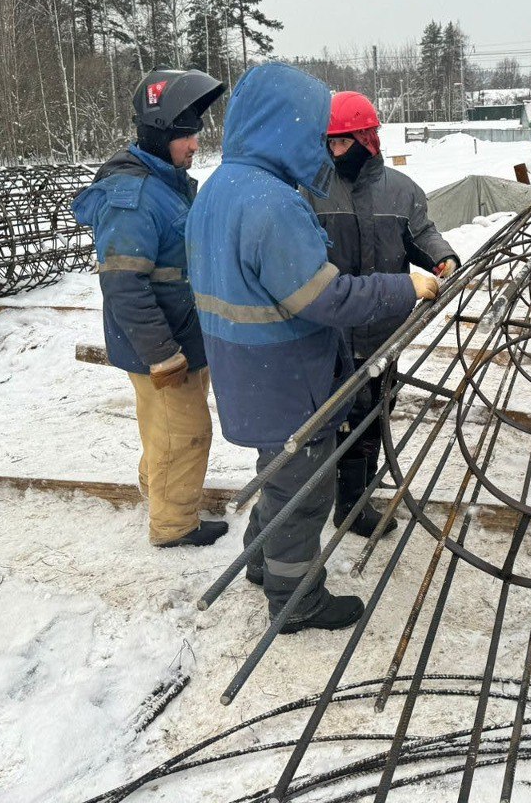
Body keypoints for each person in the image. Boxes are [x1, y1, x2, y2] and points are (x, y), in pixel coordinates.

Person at [185, 63, 437, 634]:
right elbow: (325, 299)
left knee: (277, 470)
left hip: (245, 369)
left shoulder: (221, 187)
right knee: (303, 491)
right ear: (283, 128)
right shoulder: (273, 203)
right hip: (286, 373)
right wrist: (404, 286)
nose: (320, 146)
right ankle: (296, 598)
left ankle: (260, 560)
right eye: (311, 131)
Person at [72, 68, 228, 549]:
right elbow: (123, 285)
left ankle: (159, 493)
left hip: (181, 336)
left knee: (166, 429)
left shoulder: (166, 182)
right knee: (185, 433)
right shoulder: (133, 198)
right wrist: (162, 353)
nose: (195, 144)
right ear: (160, 134)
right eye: (186, 134)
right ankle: (173, 525)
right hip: (161, 345)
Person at [307, 91, 459, 538]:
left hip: (384, 331)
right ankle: (346, 504)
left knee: (376, 410)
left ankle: (359, 492)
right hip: (331, 330)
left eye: (342, 141)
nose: (334, 151)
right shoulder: (311, 188)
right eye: (328, 142)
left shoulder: (402, 190)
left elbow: (421, 235)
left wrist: (442, 258)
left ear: (367, 139)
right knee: (342, 416)